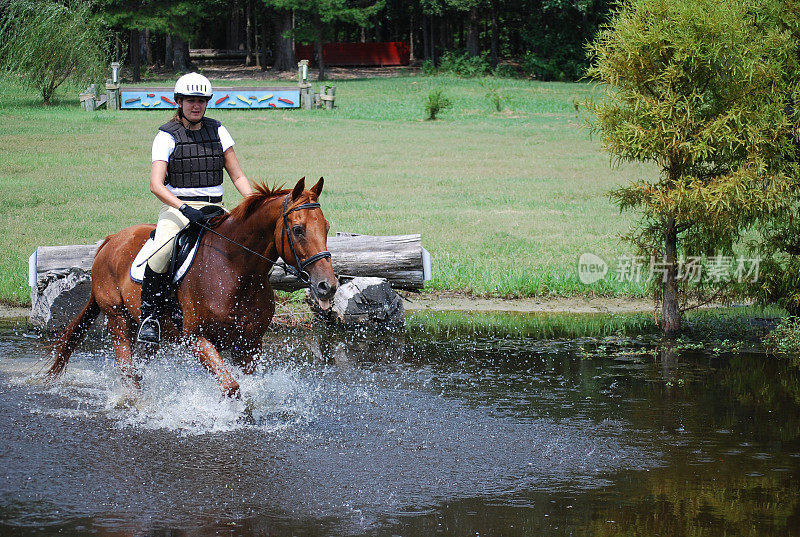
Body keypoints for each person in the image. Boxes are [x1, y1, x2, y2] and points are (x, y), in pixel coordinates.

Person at [138, 72, 253, 344]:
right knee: (162, 251)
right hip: (177, 209)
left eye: (201, 100)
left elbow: (237, 176)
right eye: (190, 100)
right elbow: (156, 184)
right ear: (178, 101)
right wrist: (184, 208)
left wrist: (253, 203)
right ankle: (150, 316)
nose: (196, 106)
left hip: (216, 209)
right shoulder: (166, 136)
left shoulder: (219, 130)